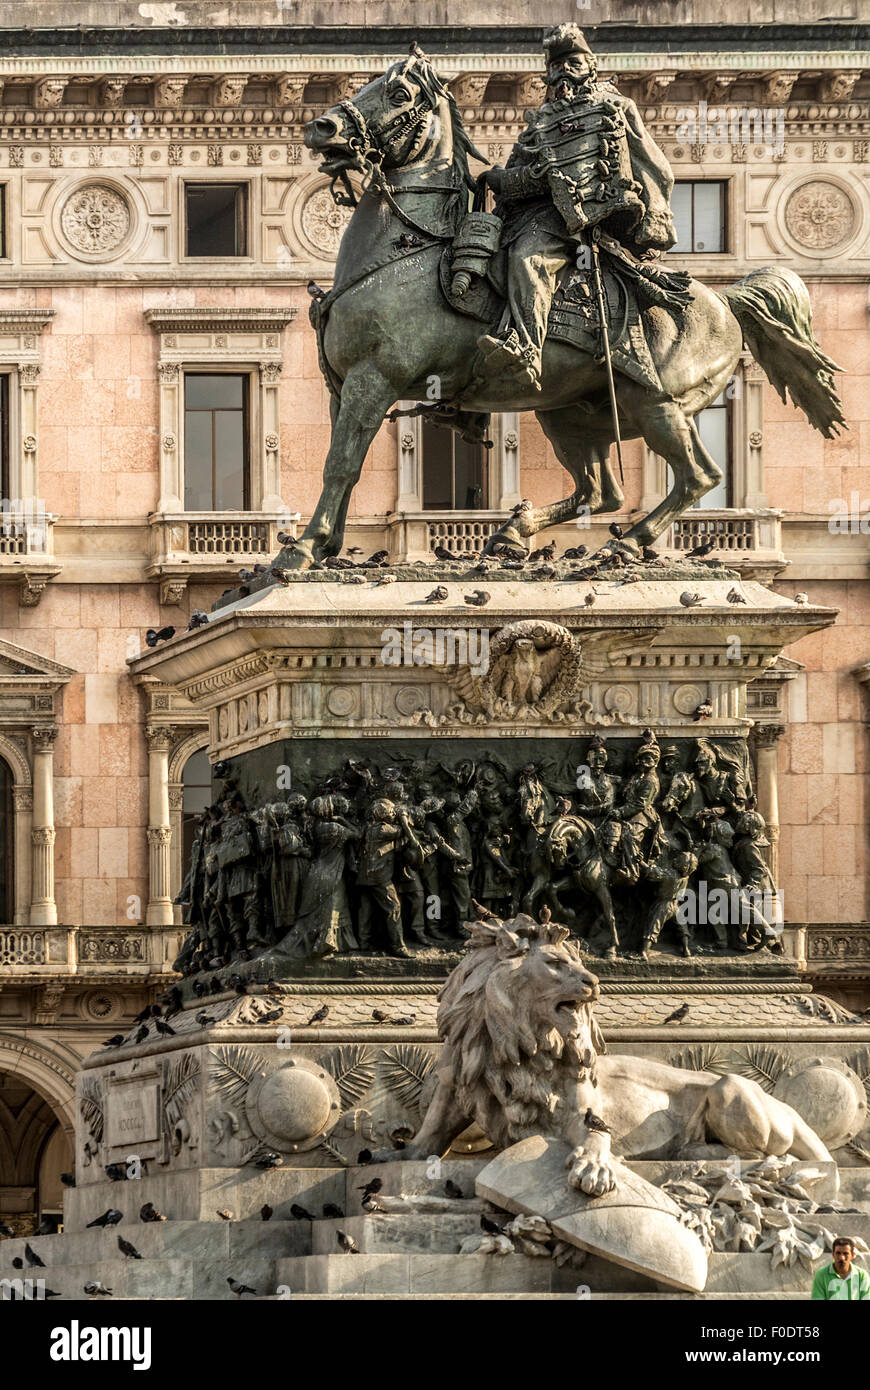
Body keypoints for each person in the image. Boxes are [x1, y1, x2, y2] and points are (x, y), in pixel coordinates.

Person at [478, 22, 675, 389]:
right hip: (530, 215)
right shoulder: (537, 124)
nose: (564, 78)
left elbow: (653, 164)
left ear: (590, 67)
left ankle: (526, 351)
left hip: (582, 224)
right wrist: (499, 180)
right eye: (557, 70)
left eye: (573, 65)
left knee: (528, 259)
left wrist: (655, 219)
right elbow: (520, 178)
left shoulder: (615, 108)